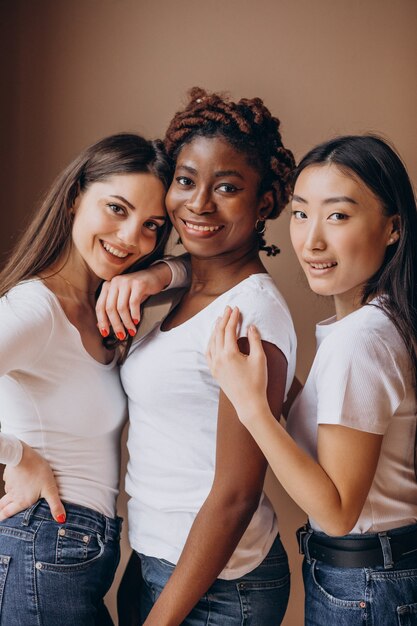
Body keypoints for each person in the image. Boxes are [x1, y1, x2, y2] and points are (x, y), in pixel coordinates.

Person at [207, 135, 417, 625]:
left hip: (365, 586)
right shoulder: (380, 323)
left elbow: (339, 512)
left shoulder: (361, 340)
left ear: (393, 228)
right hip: (380, 576)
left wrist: (251, 406)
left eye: (338, 215)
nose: (311, 240)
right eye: (301, 213)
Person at [107, 87, 297, 626]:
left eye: (228, 187)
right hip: (155, 560)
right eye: (186, 181)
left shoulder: (248, 316)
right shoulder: (196, 286)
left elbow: (237, 495)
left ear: (264, 202)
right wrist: (159, 272)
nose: (198, 204)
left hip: (217, 588)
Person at [0, 132, 179, 626]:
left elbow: (207, 269)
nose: (130, 238)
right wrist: (19, 456)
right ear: (77, 196)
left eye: (151, 226)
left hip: (78, 551)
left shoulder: (106, 306)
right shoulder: (34, 308)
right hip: (42, 542)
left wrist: (152, 276)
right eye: (117, 209)